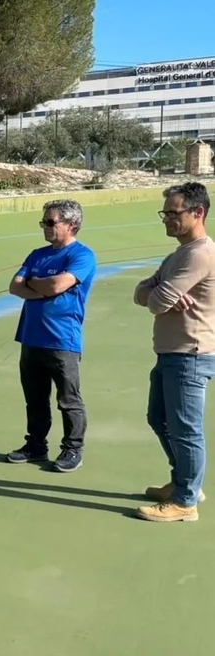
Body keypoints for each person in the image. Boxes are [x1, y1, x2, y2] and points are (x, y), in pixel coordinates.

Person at [133, 181, 215, 523]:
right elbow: (141, 292)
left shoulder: (198, 254)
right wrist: (156, 293)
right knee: (159, 418)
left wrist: (157, 295)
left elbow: (154, 302)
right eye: (164, 212)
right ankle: (185, 482)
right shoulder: (178, 254)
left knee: (186, 429)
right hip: (172, 352)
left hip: (190, 354)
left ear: (198, 213)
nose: (167, 218)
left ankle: (185, 501)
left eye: (173, 212)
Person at [5, 199, 97, 472]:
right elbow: (15, 287)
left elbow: (58, 284)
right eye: (43, 222)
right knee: (35, 397)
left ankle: (72, 449)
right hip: (31, 337)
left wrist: (37, 284)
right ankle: (35, 445)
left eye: (50, 222)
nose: (45, 227)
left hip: (62, 340)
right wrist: (43, 288)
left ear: (72, 225)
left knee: (68, 399)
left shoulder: (82, 256)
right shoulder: (37, 254)